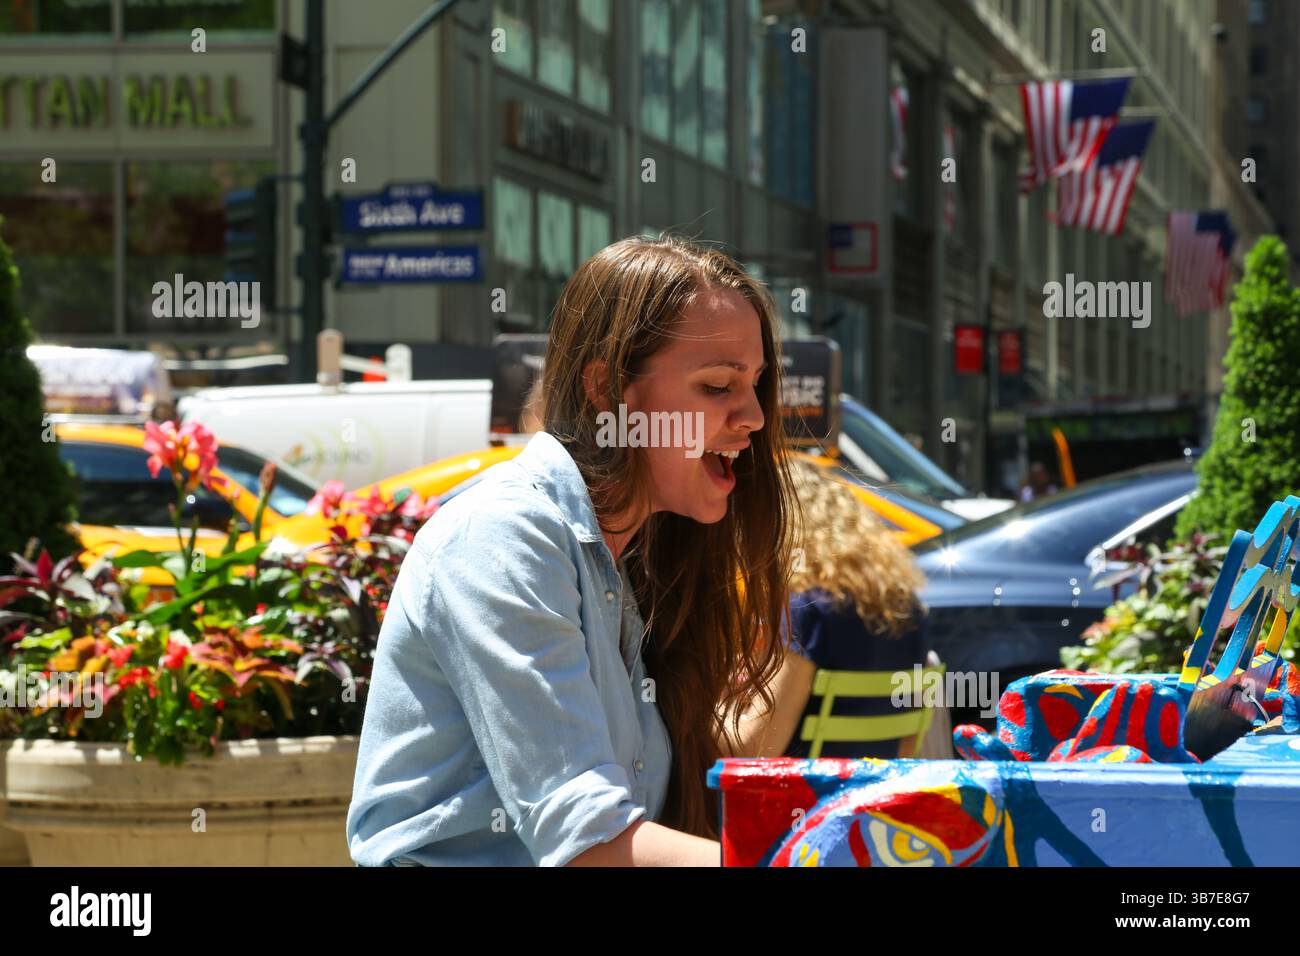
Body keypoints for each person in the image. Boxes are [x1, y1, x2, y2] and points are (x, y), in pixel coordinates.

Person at [347, 234, 797, 866]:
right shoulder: (501, 535)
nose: (752, 415)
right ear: (610, 390)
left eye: (755, 384)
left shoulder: (630, 555)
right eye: (718, 385)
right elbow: (586, 840)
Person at [716, 460, 932, 760]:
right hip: (875, 795)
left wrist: (708, 708)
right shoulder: (907, 607)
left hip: (809, 800)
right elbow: (907, 747)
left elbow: (753, 749)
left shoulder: (805, 610)